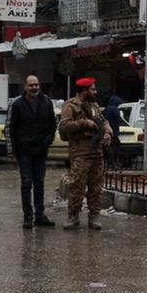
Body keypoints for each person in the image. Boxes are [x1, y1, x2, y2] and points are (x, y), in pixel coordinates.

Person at [58, 77, 110, 230]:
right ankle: (73, 216)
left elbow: (104, 121)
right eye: (92, 89)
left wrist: (108, 133)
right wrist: (84, 123)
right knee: (77, 187)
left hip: (96, 153)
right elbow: (64, 126)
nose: (95, 92)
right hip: (80, 153)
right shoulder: (70, 106)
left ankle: (94, 216)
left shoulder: (94, 106)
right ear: (84, 90)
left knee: (96, 188)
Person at [7, 74, 57, 229]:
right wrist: (11, 149)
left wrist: (48, 141)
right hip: (24, 151)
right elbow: (10, 128)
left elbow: (53, 123)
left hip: (41, 150)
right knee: (26, 183)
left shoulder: (46, 102)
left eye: (36, 84)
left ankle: (40, 215)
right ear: (25, 86)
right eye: (31, 85)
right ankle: (27, 217)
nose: (34, 87)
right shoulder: (17, 104)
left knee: (39, 183)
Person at [103, 94, 127, 168]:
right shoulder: (115, 109)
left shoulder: (106, 109)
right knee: (116, 147)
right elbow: (119, 120)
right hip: (114, 131)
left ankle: (109, 163)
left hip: (107, 132)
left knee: (109, 148)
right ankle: (113, 163)